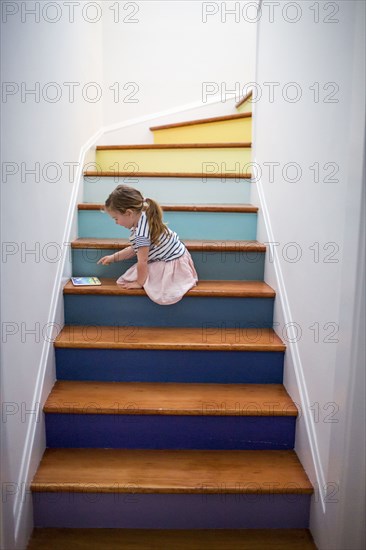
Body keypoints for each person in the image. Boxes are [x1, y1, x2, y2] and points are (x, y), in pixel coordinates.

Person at [97, 185, 198, 305]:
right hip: (178, 255)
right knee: (132, 275)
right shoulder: (144, 216)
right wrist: (113, 257)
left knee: (130, 278)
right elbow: (134, 249)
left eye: (116, 218)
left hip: (172, 263)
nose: (116, 223)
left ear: (129, 213)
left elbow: (142, 261)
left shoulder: (142, 234)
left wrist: (139, 283)